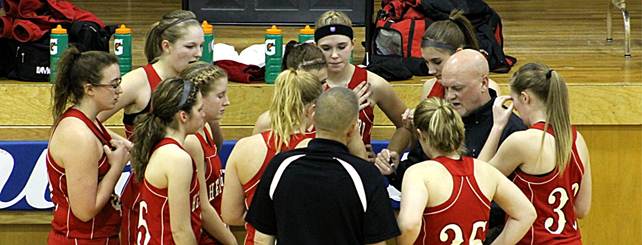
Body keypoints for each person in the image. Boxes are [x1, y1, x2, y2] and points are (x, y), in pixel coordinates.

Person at [246, 87, 400, 245]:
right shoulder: (366, 175)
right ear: (353, 128)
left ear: (313, 116)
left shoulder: (279, 165)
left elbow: (261, 240)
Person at [102, 10, 205, 245]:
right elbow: (84, 118)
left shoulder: (193, 81)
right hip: (147, 194)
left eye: (200, 46)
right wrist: (129, 146)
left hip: (185, 190)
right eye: (190, 47)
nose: (198, 54)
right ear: (166, 45)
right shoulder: (138, 81)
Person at [478, 63, 592, 244]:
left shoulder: (524, 141)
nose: (514, 109)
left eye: (514, 103)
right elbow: (581, 209)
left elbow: (476, 182)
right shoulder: (578, 140)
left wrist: (497, 126)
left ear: (525, 98)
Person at [396, 98, 536, 245]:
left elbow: (409, 225)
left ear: (420, 135)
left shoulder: (418, 173)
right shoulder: (486, 170)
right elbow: (526, 214)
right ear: (460, 130)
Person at [380, 9, 501, 162]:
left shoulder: (488, 89)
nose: (430, 70)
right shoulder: (429, 87)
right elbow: (424, 146)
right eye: (426, 62)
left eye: (437, 62)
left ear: (458, 53)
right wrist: (412, 130)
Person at [221, 69, 323, 244]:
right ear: (314, 107)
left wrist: (267, 223)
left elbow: (230, 215)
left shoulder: (245, 148)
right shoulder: (325, 148)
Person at [46, 47, 130, 244]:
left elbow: (130, 149)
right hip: (81, 239)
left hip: (100, 236)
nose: (120, 90)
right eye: (113, 84)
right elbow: (85, 211)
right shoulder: (78, 136)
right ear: (89, 88)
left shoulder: (90, 121)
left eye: (119, 82)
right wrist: (117, 168)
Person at [315, 10, 407, 161]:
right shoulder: (308, 85)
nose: (334, 55)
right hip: (319, 168)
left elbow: (405, 125)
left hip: (360, 170)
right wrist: (347, 108)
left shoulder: (373, 84)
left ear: (352, 44)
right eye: (326, 48)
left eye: (341, 46)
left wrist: (389, 156)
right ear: (315, 47)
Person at [129, 78, 204, 244]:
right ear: (183, 116)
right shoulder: (177, 159)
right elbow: (180, 231)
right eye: (200, 109)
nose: (203, 114)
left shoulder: (159, 146)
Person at [181, 62, 237, 245]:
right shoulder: (190, 141)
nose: (227, 102)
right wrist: (232, 242)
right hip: (200, 235)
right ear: (198, 98)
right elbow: (203, 209)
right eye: (220, 96)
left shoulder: (205, 127)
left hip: (214, 231)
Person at [252, 42, 328, 135]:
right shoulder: (267, 122)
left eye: (323, 82)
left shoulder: (333, 119)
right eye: (311, 83)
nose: (319, 89)